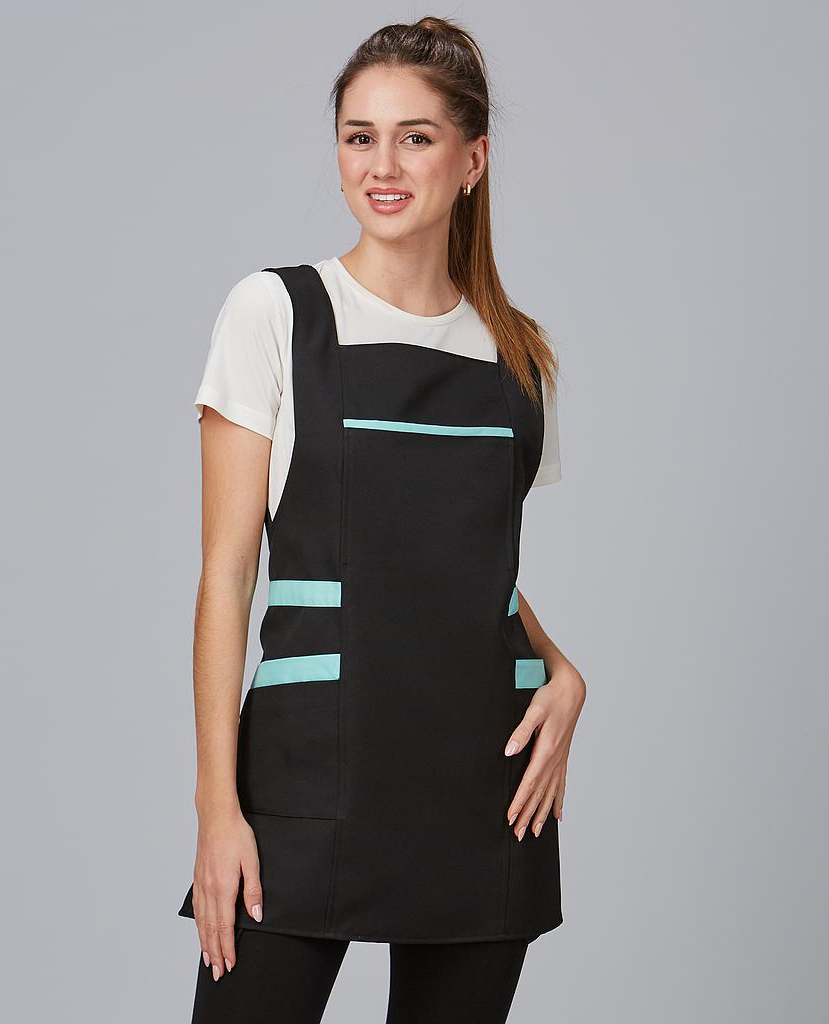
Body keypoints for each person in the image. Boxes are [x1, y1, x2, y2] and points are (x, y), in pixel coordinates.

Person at [177, 15, 587, 1024]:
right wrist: (218, 809)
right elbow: (227, 574)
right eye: (360, 136)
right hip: (308, 777)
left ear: (471, 160)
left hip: (483, 788)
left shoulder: (519, 359)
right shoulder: (276, 314)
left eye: (415, 137)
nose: (382, 165)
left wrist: (562, 671)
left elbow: (466, 571)